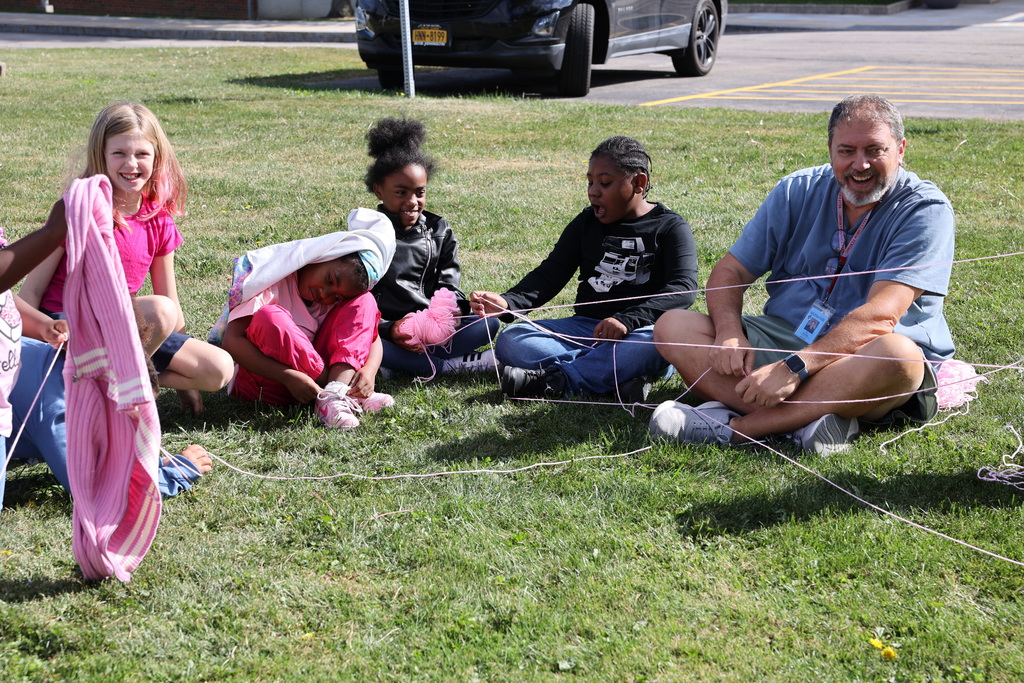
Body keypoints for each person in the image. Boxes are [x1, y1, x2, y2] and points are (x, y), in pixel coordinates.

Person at [650, 94, 955, 455]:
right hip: (788, 337)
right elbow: (731, 270)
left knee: (899, 357)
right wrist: (730, 334)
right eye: (846, 151)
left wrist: (795, 368)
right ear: (829, 149)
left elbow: (881, 316)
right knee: (673, 327)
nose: (860, 164)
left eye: (875, 150)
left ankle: (737, 428)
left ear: (900, 150)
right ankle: (810, 422)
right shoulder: (797, 189)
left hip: (862, 358)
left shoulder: (925, 209)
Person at [18, 101, 233, 415]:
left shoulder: (159, 220)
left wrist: (188, 385)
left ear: (157, 157)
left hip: (124, 334)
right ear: (101, 155)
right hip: (67, 329)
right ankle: (102, 396)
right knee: (159, 312)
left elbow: (173, 309)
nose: (131, 164)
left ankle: (113, 382)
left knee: (218, 368)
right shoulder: (78, 208)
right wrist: (30, 348)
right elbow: (31, 291)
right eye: (119, 153)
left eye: (142, 154)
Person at [470, 135, 699, 400]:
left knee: (652, 346)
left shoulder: (670, 227)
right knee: (513, 340)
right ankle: (616, 376)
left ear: (639, 183)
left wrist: (626, 321)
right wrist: (508, 302)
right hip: (585, 329)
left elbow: (683, 289)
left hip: (641, 331)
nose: (593, 191)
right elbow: (550, 273)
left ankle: (559, 382)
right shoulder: (585, 223)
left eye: (605, 183)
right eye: (590, 182)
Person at [211, 208, 397, 431]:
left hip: (313, 386)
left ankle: (335, 395)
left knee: (365, 302)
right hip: (266, 383)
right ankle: (341, 394)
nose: (325, 294)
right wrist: (288, 376)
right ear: (322, 257)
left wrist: (369, 372)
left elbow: (371, 337)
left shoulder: (336, 299)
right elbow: (232, 342)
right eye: (329, 279)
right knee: (270, 317)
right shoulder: (274, 280)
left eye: (337, 296)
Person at [363, 117, 500, 377]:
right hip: (386, 332)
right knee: (363, 341)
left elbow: (450, 288)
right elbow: (357, 301)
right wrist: (390, 328)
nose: (412, 201)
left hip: (434, 330)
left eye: (420, 192)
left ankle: (399, 366)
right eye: (401, 192)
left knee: (488, 324)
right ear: (379, 190)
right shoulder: (367, 234)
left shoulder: (439, 231)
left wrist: (454, 313)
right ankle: (444, 365)